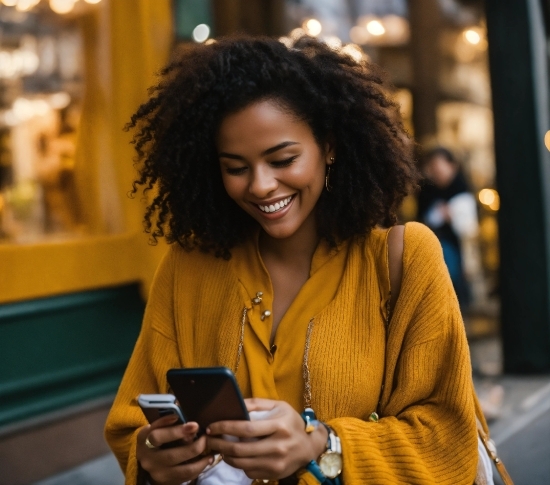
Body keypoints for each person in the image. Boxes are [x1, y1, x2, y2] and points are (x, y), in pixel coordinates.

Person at [105, 36, 482, 485]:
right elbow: (131, 427)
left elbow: (447, 439)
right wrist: (153, 457)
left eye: (282, 159)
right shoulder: (187, 269)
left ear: (329, 146)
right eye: (236, 167)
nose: (261, 186)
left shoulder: (404, 260)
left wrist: (321, 445)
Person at [416, 147, 479, 307]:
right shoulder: (426, 191)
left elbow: (469, 225)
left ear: (452, 166)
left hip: (461, 244)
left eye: (439, 166)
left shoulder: (461, 188)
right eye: (433, 167)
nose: (437, 171)